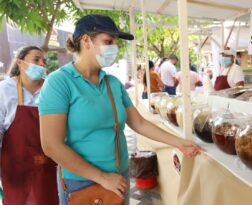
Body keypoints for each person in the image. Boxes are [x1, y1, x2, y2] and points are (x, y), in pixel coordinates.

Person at [37, 14, 202, 205]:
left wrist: (178, 142)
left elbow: (138, 123)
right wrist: (102, 177)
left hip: (119, 175)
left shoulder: (112, 83)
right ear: (85, 41)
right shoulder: (59, 82)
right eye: (108, 41)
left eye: (115, 43)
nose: (113, 48)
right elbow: (51, 145)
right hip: (82, 181)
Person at [0, 46, 58, 205]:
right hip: (15, 171)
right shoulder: (5, 90)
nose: (42, 64)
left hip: (49, 167)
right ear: (20, 62)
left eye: (44, 61)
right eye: (36, 59)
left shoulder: (53, 91)